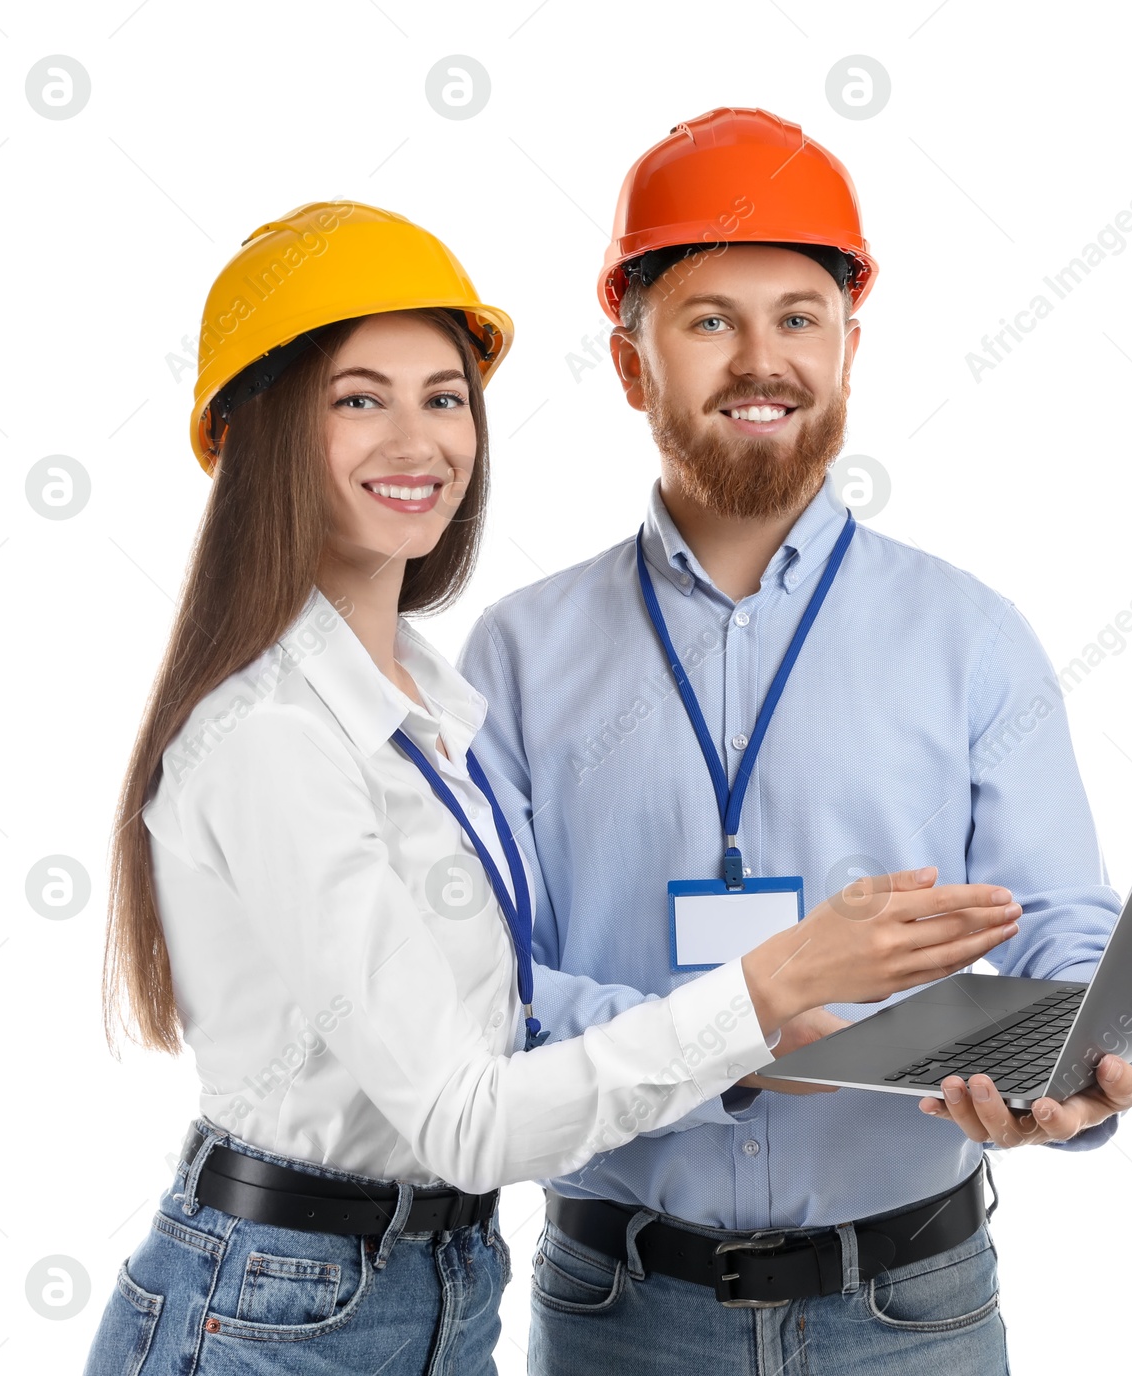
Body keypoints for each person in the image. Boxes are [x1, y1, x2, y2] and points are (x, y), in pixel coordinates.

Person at [82, 200, 1027, 1376]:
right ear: (262, 430)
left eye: (443, 396)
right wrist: (776, 975)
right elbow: (465, 1118)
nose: (417, 440)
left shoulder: (430, 702)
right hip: (279, 1306)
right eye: (357, 397)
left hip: (432, 1286)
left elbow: (510, 1014)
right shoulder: (274, 735)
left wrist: (793, 1030)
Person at [453, 109, 1132, 1373]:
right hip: (619, 1314)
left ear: (846, 347)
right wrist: (733, 1023)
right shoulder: (516, 653)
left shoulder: (970, 634)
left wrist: (1084, 1055)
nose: (760, 358)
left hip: (912, 1314)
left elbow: (1057, 918)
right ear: (629, 362)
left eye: (798, 316)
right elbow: (482, 989)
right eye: (709, 319)